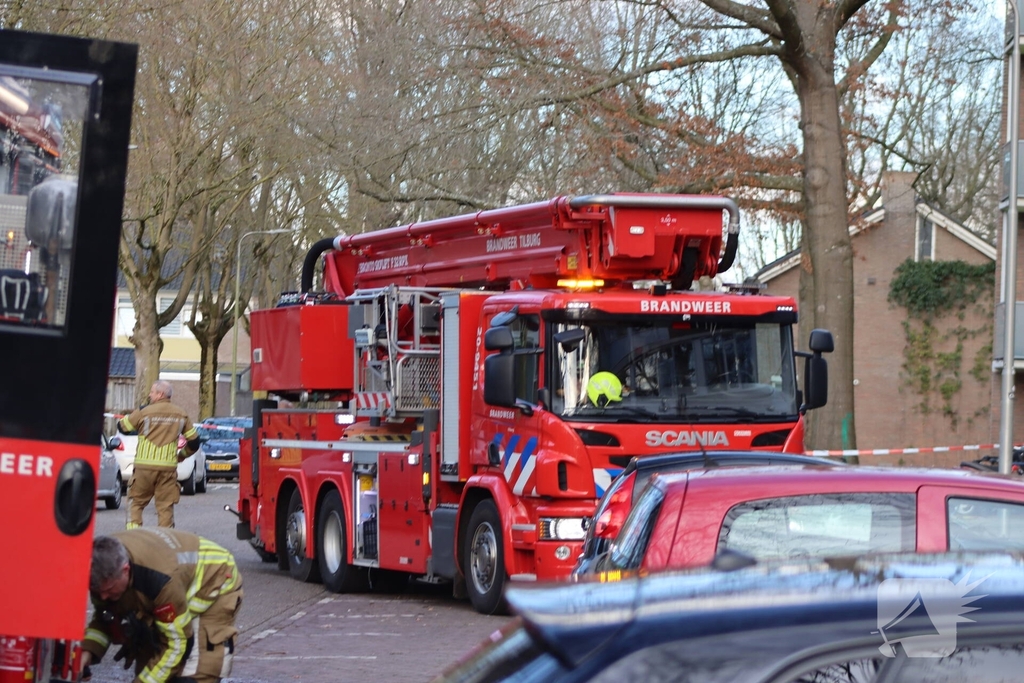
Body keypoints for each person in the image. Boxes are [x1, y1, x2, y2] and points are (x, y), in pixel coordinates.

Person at [82, 530, 243, 683]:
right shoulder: (103, 563)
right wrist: (87, 651)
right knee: (151, 663)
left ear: (125, 570)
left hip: (215, 580)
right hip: (172, 582)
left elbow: (177, 644)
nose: (103, 597)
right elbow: (104, 617)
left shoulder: (160, 582)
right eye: (97, 591)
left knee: (193, 673)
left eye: (109, 590)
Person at [118, 380, 200, 529]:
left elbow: (123, 428)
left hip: (144, 469)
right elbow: (194, 442)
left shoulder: (144, 411)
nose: (149, 395)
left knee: (135, 503)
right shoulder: (181, 414)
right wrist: (181, 455)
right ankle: (164, 543)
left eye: (152, 392)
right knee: (165, 507)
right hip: (168, 470)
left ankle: (135, 538)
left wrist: (135, 413)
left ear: (160, 394)